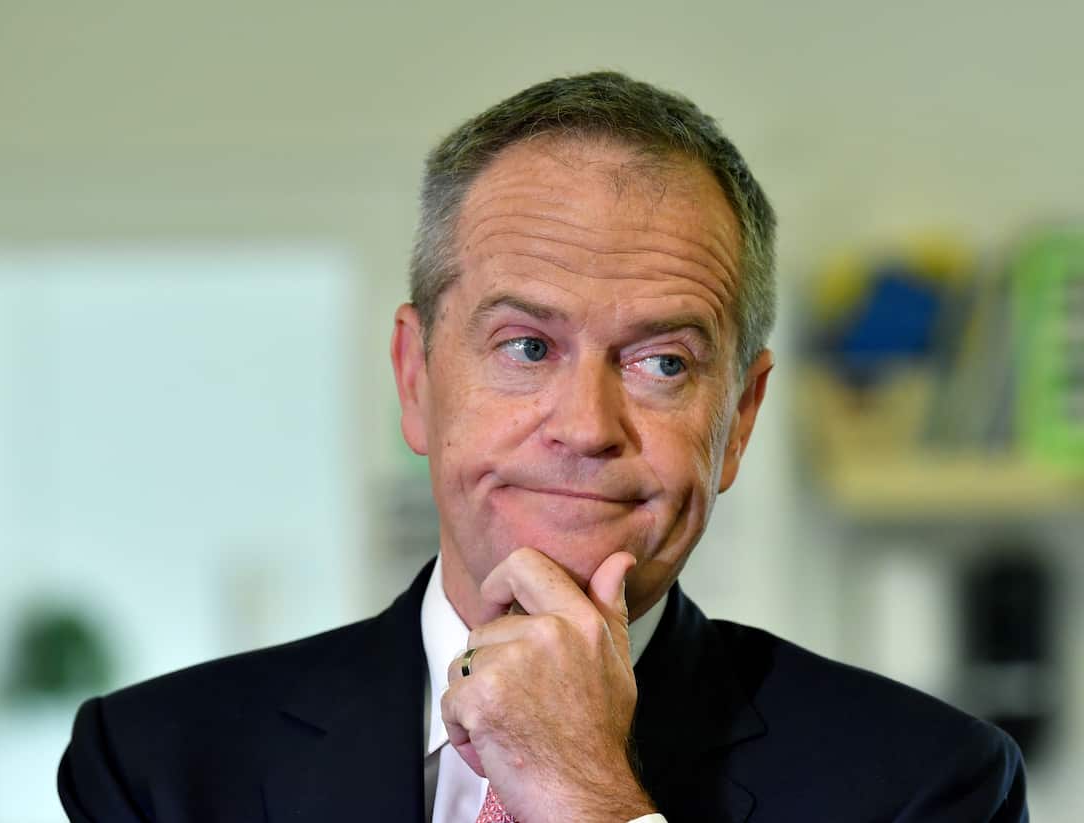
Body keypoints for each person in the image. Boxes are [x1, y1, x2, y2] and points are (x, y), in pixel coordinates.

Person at [58, 72, 1027, 822]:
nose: (586, 425)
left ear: (738, 419)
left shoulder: (930, 785)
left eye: (662, 363)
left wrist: (585, 791)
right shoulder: (156, 766)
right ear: (415, 379)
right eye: (526, 347)